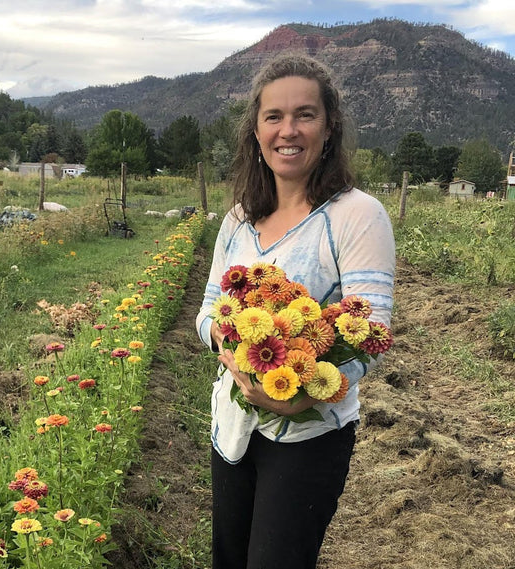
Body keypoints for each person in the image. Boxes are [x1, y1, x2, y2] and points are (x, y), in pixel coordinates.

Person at [195, 53, 395, 568]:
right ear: (256, 132)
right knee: (228, 559)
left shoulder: (358, 216)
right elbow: (208, 310)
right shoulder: (238, 220)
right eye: (274, 116)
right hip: (231, 427)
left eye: (305, 114)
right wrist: (234, 357)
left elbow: (371, 335)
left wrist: (305, 391)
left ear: (329, 129)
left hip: (310, 435)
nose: (289, 129)